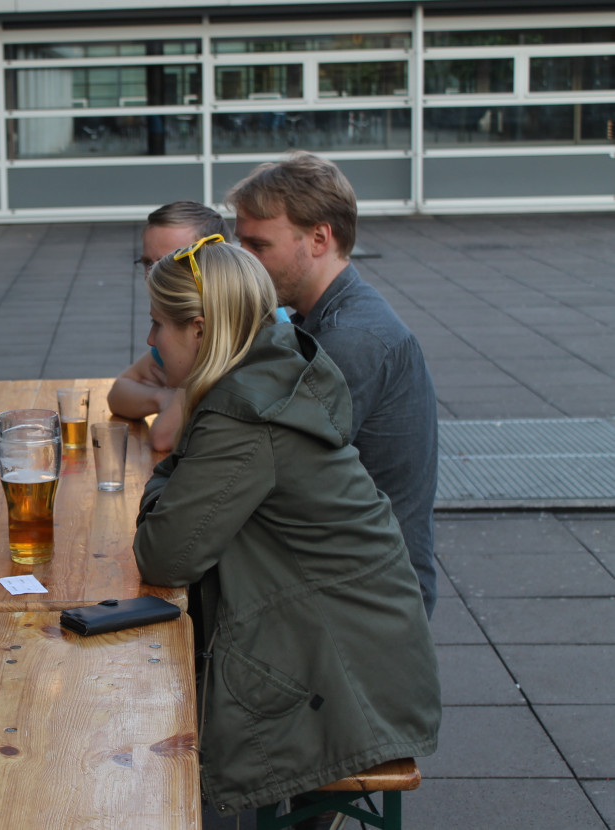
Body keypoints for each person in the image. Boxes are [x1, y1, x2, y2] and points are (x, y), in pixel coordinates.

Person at [132, 236, 440, 816]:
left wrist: (163, 483)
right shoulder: (267, 369)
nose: (150, 340)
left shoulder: (245, 414)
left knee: (148, 742)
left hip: (347, 677)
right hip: (368, 644)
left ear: (199, 329)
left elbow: (164, 553)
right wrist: (177, 479)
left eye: (156, 324)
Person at [227, 152, 439, 617]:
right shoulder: (320, 319)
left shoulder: (351, 341)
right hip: (347, 577)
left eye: (259, 246)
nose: (244, 260)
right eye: (240, 243)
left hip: (367, 600)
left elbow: (259, 471)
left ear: (320, 238)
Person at [107, 201, 231, 451]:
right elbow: (119, 393)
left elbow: (163, 437)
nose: (150, 277)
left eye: (168, 262)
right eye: (146, 263)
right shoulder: (180, 326)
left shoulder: (227, 328)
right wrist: (164, 397)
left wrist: (180, 393)